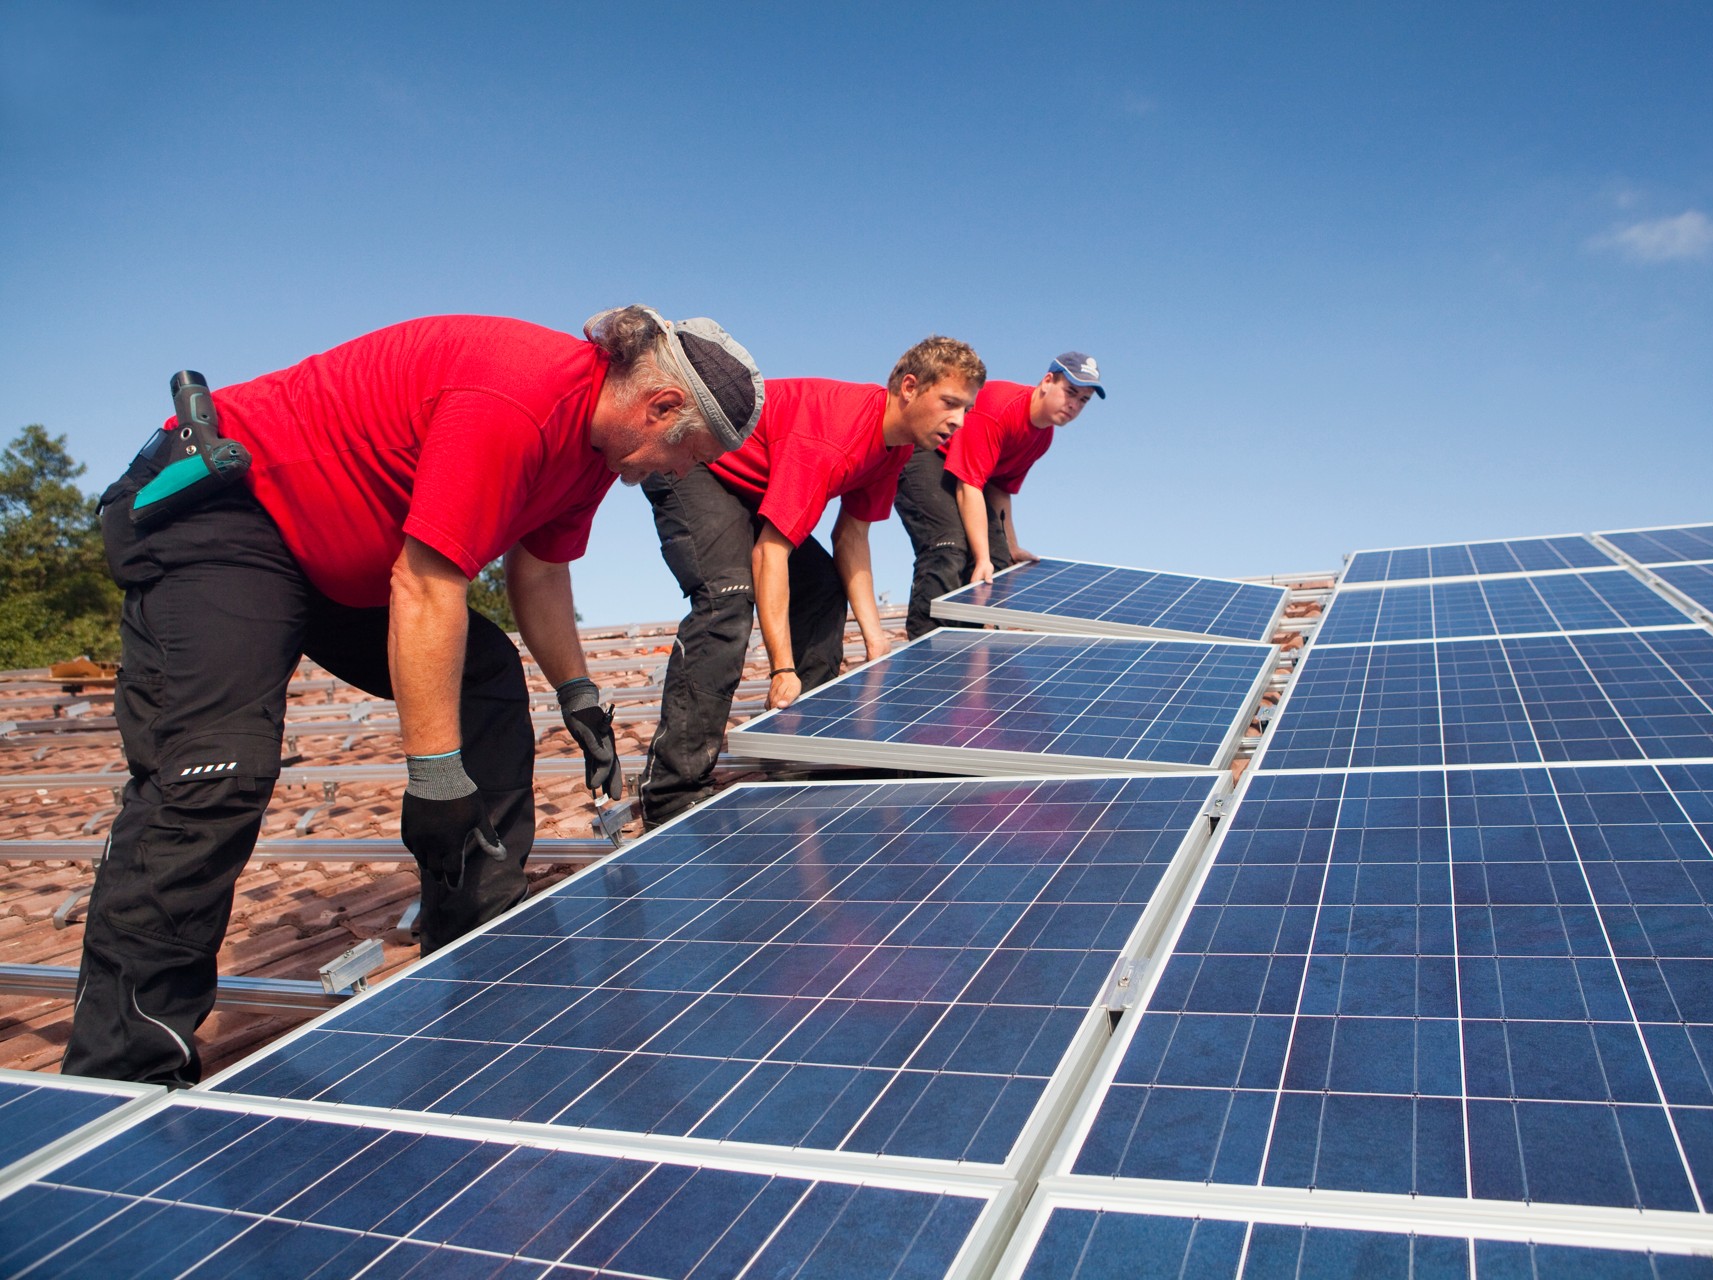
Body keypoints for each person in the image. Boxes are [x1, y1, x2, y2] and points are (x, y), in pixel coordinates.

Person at [66, 306, 763, 1085]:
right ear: (660, 406)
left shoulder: (594, 454)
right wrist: (435, 780)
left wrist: (580, 697)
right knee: (213, 773)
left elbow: (541, 572)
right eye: (684, 455)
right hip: (231, 512)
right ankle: (119, 1077)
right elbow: (428, 584)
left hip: (336, 561)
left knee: (486, 680)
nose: (672, 475)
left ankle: (476, 945)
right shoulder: (520, 395)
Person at [638, 336, 987, 825]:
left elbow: (852, 537)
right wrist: (782, 669)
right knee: (727, 597)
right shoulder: (833, 435)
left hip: (749, 488)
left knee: (823, 588)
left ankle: (802, 745)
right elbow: (770, 553)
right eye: (950, 403)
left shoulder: (895, 448)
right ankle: (672, 793)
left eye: (967, 408)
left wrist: (875, 641)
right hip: (695, 464)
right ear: (909, 388)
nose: (959, 420)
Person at [894, 352, 1104, 638]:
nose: (1074, 405)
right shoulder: (1000, 408)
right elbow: (968, 485)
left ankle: (970, 649)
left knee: (1000, 561)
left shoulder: (1042, 437)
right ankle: (927, 649)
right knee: (949, 544)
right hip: (927, 454)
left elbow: (1000, 489)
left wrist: (1010, 546)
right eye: (1070, 392)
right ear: (1046, 382)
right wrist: (982, 557)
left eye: (1083, 401)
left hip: (968, 477)